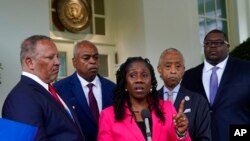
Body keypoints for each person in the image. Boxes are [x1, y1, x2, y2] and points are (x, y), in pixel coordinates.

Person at [2, 35, 85, 141]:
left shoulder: (51, 90)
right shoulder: (20, 99)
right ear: (30, 62)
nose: (57, 62)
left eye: (57, 57)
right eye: (50, 57)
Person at [98, 57, 191, 141]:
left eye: (145, 75)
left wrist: (181, 133)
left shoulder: (167, 108)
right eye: (133, 75)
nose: (139, 80)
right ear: (125, 83)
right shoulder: (108, 116)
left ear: (151, 82)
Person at [181, 29, 250, 141]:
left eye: (218, 43)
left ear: (228, 46)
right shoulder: (189, 76)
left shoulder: (246, 70)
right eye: (208, 43)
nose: (212, 46)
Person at [53, 40, 116, 141]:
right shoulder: (60, 89)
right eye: (86, 58)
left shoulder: (113, 89)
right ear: (74, 62)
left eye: (95, 57)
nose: (92, 61)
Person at [157, 48, 211, 141]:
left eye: (178, 66)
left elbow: (205, 137)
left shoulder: (198, 101)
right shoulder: (150, 100)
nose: (173, 71)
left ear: (183, 71)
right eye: (168, 66)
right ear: (159, 69)